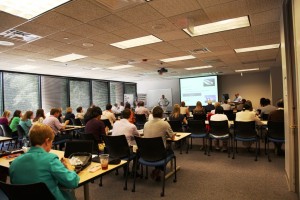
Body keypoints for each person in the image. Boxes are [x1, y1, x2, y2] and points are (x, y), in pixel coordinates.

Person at [9, 123, 79, 199]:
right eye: (52, 142)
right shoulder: (50, 159)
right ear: (47, 141)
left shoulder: (14, 163)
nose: (51, 145)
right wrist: (69, 166)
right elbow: (73, 182)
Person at [143, 106, 175, 181]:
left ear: (152, 114)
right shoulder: (164, 123)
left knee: (158, 148)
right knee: (170, 150)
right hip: (159, 154)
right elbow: (173, 138)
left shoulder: (146, 124)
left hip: (147, 153)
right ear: (162, 114)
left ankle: (157, 169)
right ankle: (159, 169)